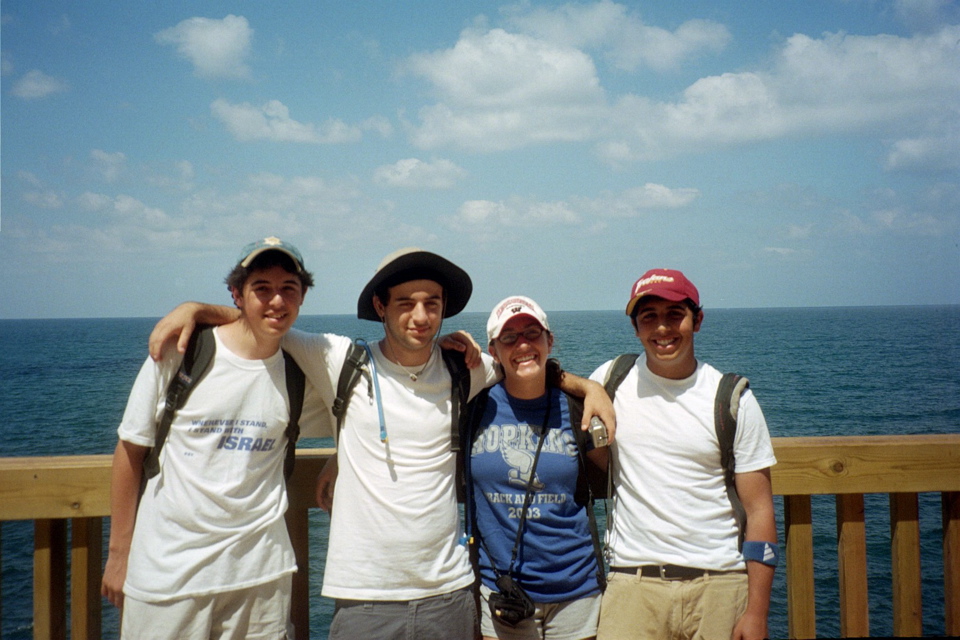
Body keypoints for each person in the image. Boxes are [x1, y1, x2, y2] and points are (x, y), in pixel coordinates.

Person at [147, 247, 616, 640]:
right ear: (380, 307)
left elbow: (526, 364)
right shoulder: (339, 360)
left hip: (448, 593)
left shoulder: (463, 369)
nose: (420, 315)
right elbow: (268, 319)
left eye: (432, 303)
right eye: (406, 303)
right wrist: (202, 310)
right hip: (364, 598)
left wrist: (588, 388)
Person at [101, 237, 330, 639]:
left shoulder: (299, 373)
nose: (276, 300)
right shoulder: (184, 351)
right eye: (262, 288)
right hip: (168, 575)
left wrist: (339, 458)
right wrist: (119, 554)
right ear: (237, 294)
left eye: (288, 289)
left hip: (262, 575)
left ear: (303, 296)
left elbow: (361, 411)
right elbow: (130, 451)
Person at [590, 269, 778, 640]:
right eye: (649, 317)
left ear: (698, 320)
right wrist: (581, 385)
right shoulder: (612, 379)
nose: (662, 328)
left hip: (720, 585)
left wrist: (757, 612)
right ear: (635, 327)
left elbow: (760, 511)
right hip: (634, 584)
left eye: (675, 314)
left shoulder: (732, 399)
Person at [468, 296, 607, 640]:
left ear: (549, 340)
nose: (523, 344)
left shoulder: (577, 409)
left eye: (532, 333)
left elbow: (619, 470)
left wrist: (593, 386)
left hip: (576, 590)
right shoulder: (472, 406)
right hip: (502, 592)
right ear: (494, 350)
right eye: (509, 338)